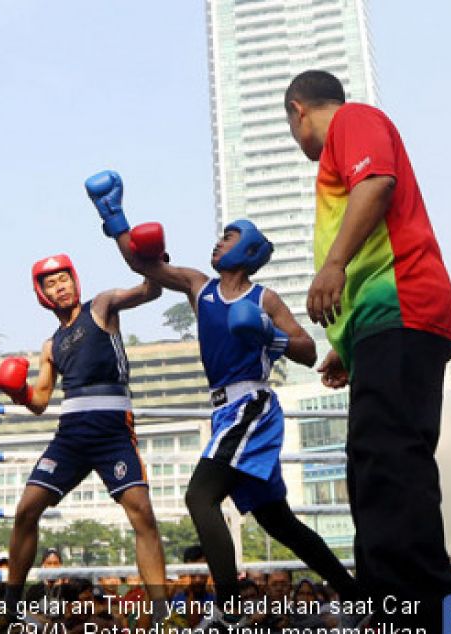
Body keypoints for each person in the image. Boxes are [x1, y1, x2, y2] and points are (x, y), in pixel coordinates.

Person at [86, 169, 359, 626]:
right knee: (279, 522)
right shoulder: (199, 285)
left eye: (228, 237)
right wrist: (115, 217)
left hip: (252, 405)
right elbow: (144, 267)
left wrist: (268, 336)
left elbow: (308, 350)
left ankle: (228, 612)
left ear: (248, 250)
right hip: (225, 412)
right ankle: (359, 597)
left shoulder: (264, 298)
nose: (218, 243)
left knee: (200, 497)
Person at [284, 69, 451, 631]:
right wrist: (347, 344)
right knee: (369, 468)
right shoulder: (344, 139)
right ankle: (387, 604)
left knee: (390, 461)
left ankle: (417, 611)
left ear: (298, 111)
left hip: (405, 308)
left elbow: (376, 184)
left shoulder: (354, 120)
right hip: (382, 325)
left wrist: (331, 264)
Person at [0, 253, 168, 622]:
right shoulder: (50, 345)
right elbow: (40, 400)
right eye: (52, 283)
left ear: (75, 280)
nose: (61, 287)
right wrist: (17, 392)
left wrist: (151, 263)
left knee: (143, 514)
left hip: (112, 429)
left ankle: (160, 611)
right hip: (70, 434)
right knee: (26, 511)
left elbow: (148, 292)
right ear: (42, 294)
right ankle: (10, 604)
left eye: (65, 279)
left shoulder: (101, 307)